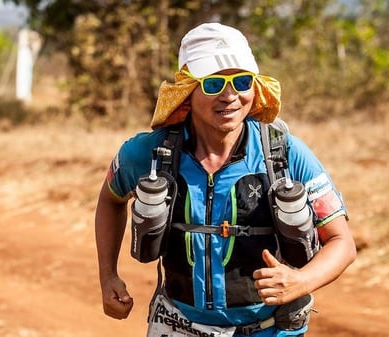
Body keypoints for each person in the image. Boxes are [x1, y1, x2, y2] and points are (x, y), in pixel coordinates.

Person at [95, 22, 356, 337]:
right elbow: (111, 199)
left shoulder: (285, 154)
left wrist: (301, 281)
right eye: (213, 84)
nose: (230, 96)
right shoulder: (150, 153)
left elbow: (342, 242)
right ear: (188, 90)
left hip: (270, 329)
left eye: (242, 81)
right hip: (178, 325)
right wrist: (108, 276)